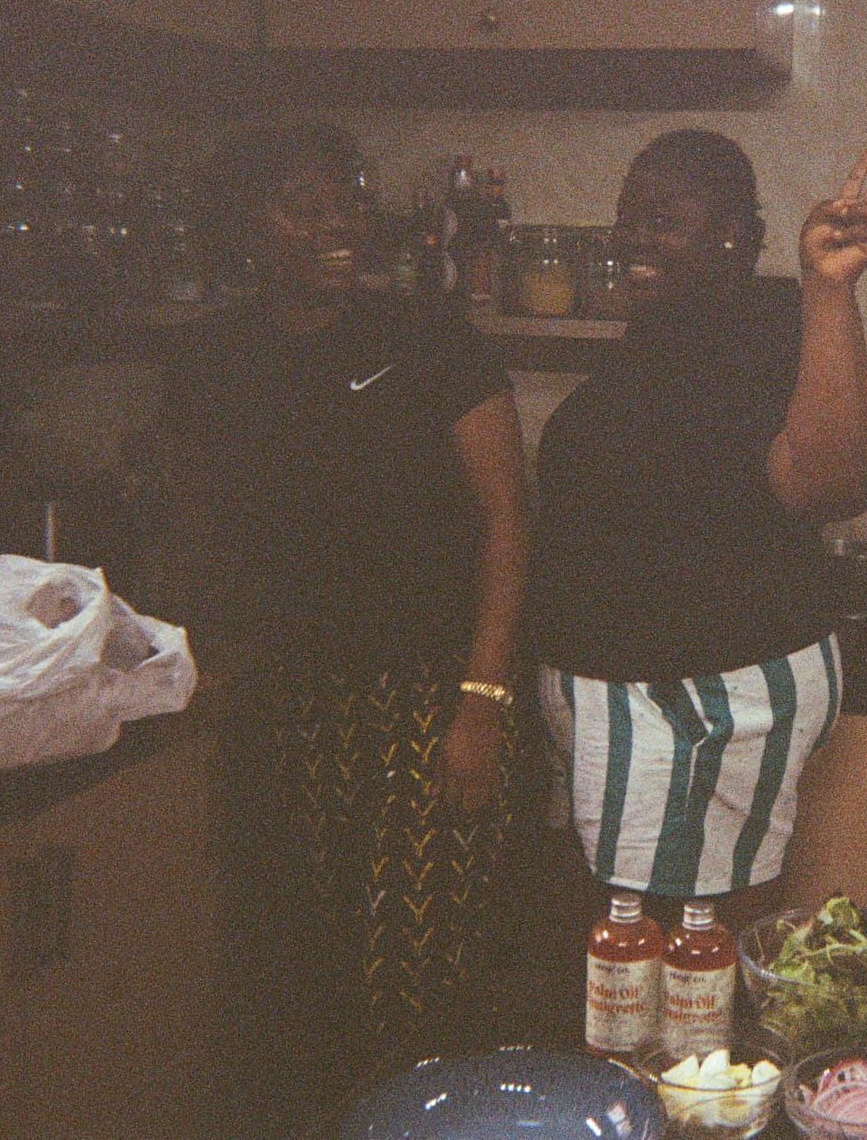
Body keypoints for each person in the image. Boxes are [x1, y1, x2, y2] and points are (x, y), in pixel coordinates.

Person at [148, 120, 529, 1116]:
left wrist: (481, 703)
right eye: (303, 207)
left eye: (349, 202)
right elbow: (194, 524)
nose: (337, 226)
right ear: (245, 228)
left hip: (429, 700)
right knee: (290, 972)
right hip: (280, 703)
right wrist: (194, 659)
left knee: (414, 970)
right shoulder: (208, 356)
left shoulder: (429, 339)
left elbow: (506, 518)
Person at [527, 128, 867, 935]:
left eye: (664, 221)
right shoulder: (665, 331)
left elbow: (835, 482)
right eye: (628, 218)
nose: (633, 238)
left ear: (735, 234)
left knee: (681, 941)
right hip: (633, 692)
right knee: (641, 943)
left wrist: (829, 290)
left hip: (699, 693)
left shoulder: (769, 324)